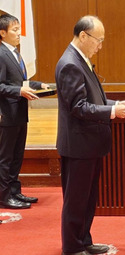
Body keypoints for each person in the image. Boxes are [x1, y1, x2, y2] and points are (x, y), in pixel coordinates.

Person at [55, 15, 125, 255]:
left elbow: (92, 100)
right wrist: (112, 111)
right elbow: (78, 107)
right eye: (98, 40)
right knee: (76, 200)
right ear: (83, 36)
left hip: (88, 144)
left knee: (88, 199)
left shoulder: (81, 60)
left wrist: (115, 103)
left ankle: (83, 241)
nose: (100, 46)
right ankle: (72, 246)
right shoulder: (70, 63)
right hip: (78, 145)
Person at [0, 14, 49, 209]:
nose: (19, 33)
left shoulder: (15, 53)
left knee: (17, 154)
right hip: (7, 113)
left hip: (20, 113)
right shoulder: (1, 54)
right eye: (14, 30)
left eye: (19, 29)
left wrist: (39, 85)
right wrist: (18, 91)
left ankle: (14, 192)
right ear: (2, 33)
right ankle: (4, 197)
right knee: (6, 157)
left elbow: (19, 82)